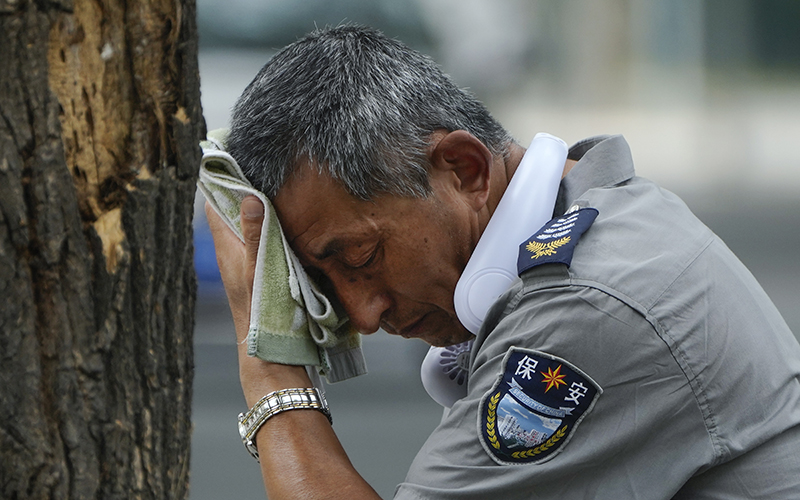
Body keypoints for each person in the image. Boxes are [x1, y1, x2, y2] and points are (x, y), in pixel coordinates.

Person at [206, 25, 800, 499]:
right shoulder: (598, 212)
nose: (361, 314)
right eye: (319, 281)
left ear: (464, 169)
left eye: (361, 256)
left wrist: (271, 369)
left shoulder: (582, 308)